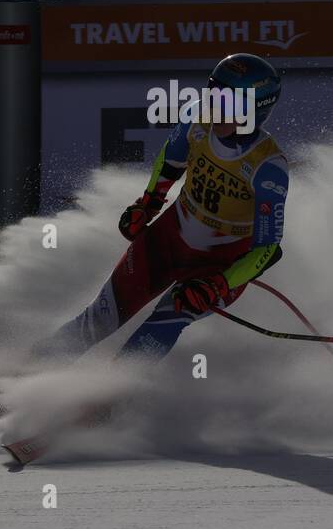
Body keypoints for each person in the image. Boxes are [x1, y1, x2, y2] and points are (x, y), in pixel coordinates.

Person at [34, 53, 289, 364]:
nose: (215, 107)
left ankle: (100, 405)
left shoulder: (268, 167)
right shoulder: (197, 117)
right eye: (212, 93)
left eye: (228, 102)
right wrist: (148, 203)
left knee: (160, 328)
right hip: (166, 242)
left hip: (220, 266)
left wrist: (218, 285)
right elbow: (171, 161)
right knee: (97, 319)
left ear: (255, 110)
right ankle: (5, 392)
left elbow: (267, 249)